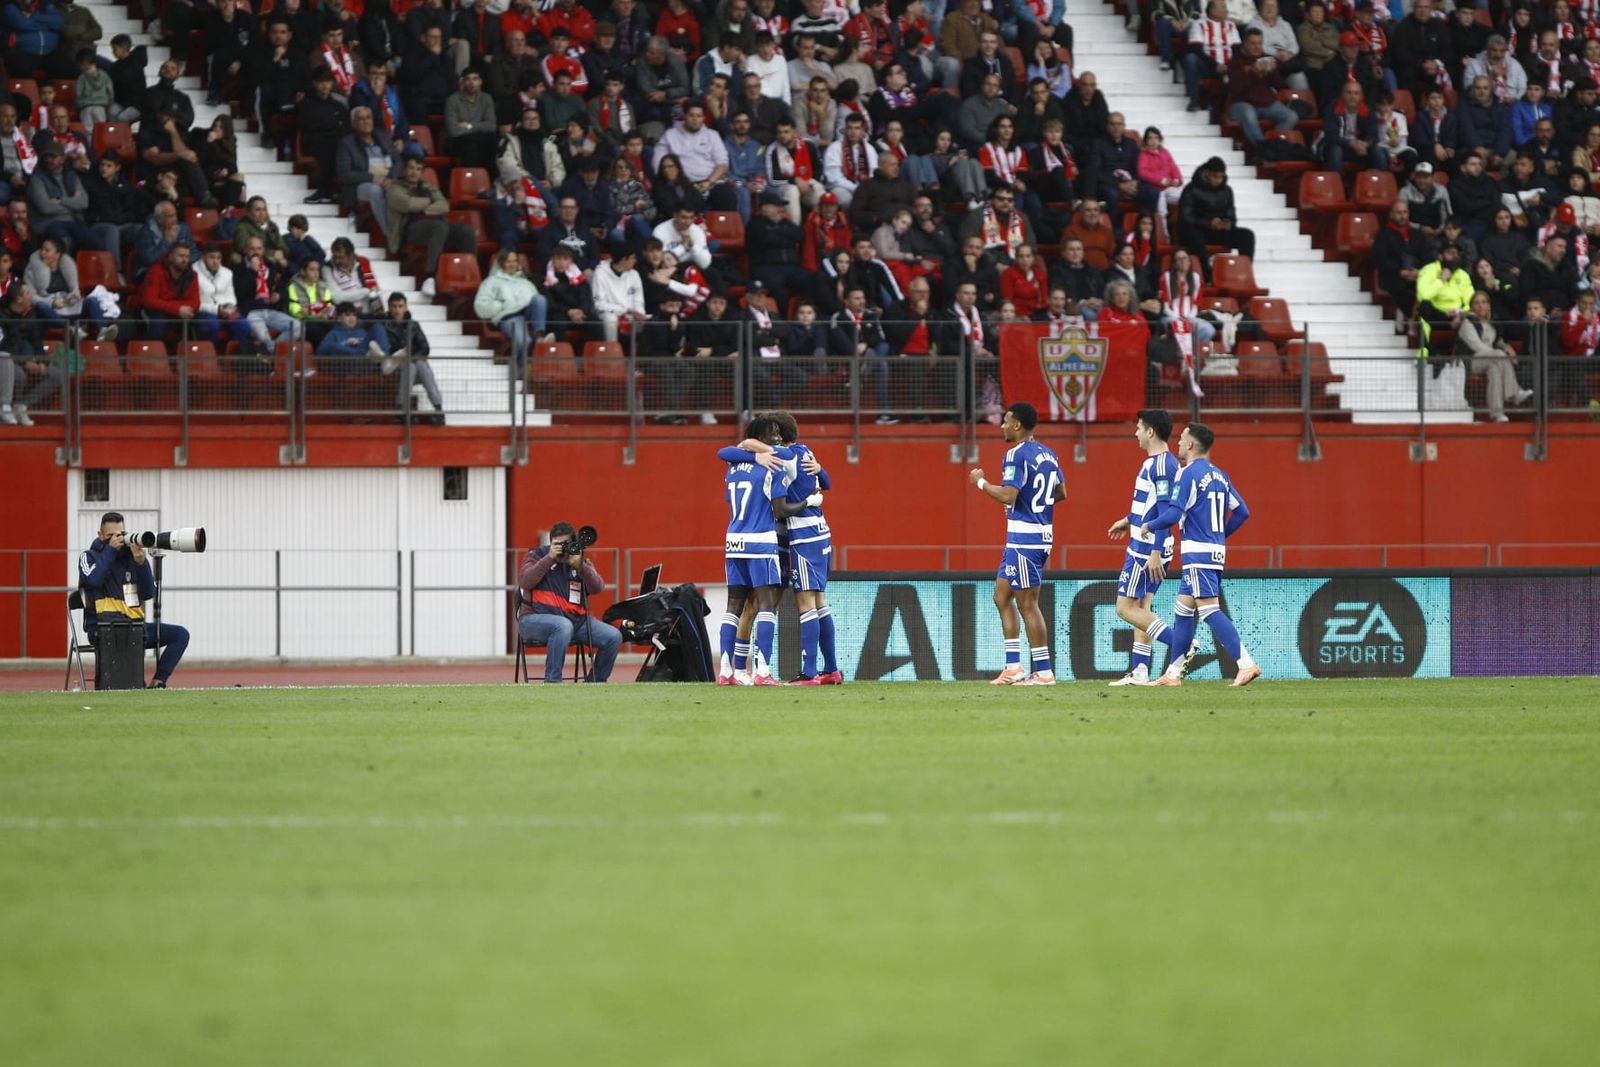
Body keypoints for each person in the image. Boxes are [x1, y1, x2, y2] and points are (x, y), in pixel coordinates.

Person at [1142, 423, 1261, 687]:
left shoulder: (1187, 474)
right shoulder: (1220, 475)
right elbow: (1242, 512)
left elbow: (1173, 515)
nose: (1178, 444)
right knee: (1183, 609)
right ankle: (1172, 674)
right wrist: (1219, 538)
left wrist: (1149, 525)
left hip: (1197, 552)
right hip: (1213, 551)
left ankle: (1245, 663)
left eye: (1182, 440)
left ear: (1191, 445)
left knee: (1209, 610)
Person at [967, 401, 1064, 686]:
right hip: (1034, 535)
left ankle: (1044, 672)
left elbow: (1008, 495)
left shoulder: (1015, 455)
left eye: (1006, 421)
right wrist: (1032, 505)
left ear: (1018, 425)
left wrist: (980, 483)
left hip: (1025, 538)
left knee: (1028, 604)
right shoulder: (1049, 454)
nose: (1002, 425)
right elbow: (1061, 492)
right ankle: (1013, 667)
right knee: (1001, 596)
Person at [714, 414, 805, 684]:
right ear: (759, 438)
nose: (777, 439)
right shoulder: (774, 466)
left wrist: (751, 454)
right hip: (761, 541)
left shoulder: (732, 466)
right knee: (766, 606)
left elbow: (726, 452)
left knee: (733, 607)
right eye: (772, 434)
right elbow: (778, 510)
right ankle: (763, 671)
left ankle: (726, 671)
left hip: (733, 542)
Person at [1105, 409, 1181, 686]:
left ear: (1150, 431)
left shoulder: (1160, 466)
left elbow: (1165, 512)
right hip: (1146, 541)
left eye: (1138, 428)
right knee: (1143, 606)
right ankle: (1139, 671)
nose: (1135, 433)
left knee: (1124, 608)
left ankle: (1182, 645)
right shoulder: (1159, 463)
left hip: (1146, 547)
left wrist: (1155, 552)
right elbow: (1152, 506)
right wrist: (1128, 520)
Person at [76, 511, 190, 688]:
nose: (117, 540)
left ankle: (158, 683)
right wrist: (110, 551)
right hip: (103, 629)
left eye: (120, 535)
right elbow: (93, 579)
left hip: (135, 628)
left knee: (180, 635)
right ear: (99, 535)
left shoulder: (130, 557)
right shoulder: (88, 556)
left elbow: (148, 593)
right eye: (110, 536)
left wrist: (141, 563)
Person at [516, 522, 623, 683]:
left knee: (613, 636)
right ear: (550, 543)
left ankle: (595, 681)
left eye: (566, 544)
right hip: (534, 619)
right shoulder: (537, 555)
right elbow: (525, 581)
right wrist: (549, 558)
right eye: (557, 544)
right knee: (562, 625)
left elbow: (598, 588)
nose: (562, 548)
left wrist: (580, 566)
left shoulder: (577, 559)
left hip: (575, 622)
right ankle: (553, 682)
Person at [386, 156, 475, 283]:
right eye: (411, 168)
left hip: (434, 224)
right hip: (409, 229)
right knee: (439, 226)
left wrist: (423, 210)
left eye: (418, 169)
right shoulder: (395, 189)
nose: (414, 172)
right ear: (404, 170)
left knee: (466, 230)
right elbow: (407, 204)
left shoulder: (428, 188)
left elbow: (444, 206)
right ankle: (430, 276)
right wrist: (430, 202)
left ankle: (468, 272)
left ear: (422, 172)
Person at [474, 249, 548, 378]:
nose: (512, 264)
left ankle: (540, 335)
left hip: (527, 315)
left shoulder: (526, 282)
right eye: (509, 261)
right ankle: (518, 370)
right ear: (502, 263)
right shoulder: (491, 282)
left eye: (515, 261)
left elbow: (536, 302)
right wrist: (501, 305)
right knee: (523, 341)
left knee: (540, 299)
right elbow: (480, 306)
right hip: (509, 316)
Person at [1178, 157, 1254, 280]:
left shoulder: (1227, 191)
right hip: (1198, 229)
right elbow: (1185, 216)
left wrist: (1228, 224)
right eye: (1215, 176)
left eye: (1221, 177)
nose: (1218, 180)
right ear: (1207, 173)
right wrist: (1208, 223)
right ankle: (1206, 275)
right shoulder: (1191, 189)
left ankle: (1244, 271)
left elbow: (1231, 215)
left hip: (1218, 231)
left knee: (1247, 236)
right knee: (1193, 235)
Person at [591, 241, 647, 341]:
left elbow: (639, 301)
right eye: (633, 257)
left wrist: (639, 313)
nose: (635, 260)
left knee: (650, 321)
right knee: (610, 319)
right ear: (623, 259)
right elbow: (599, 304)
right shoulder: (600, 272)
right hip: (609, 313)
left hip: (632, 314)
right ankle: (612, 351)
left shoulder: (634, 274)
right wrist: (625, 310)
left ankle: (641, 354)